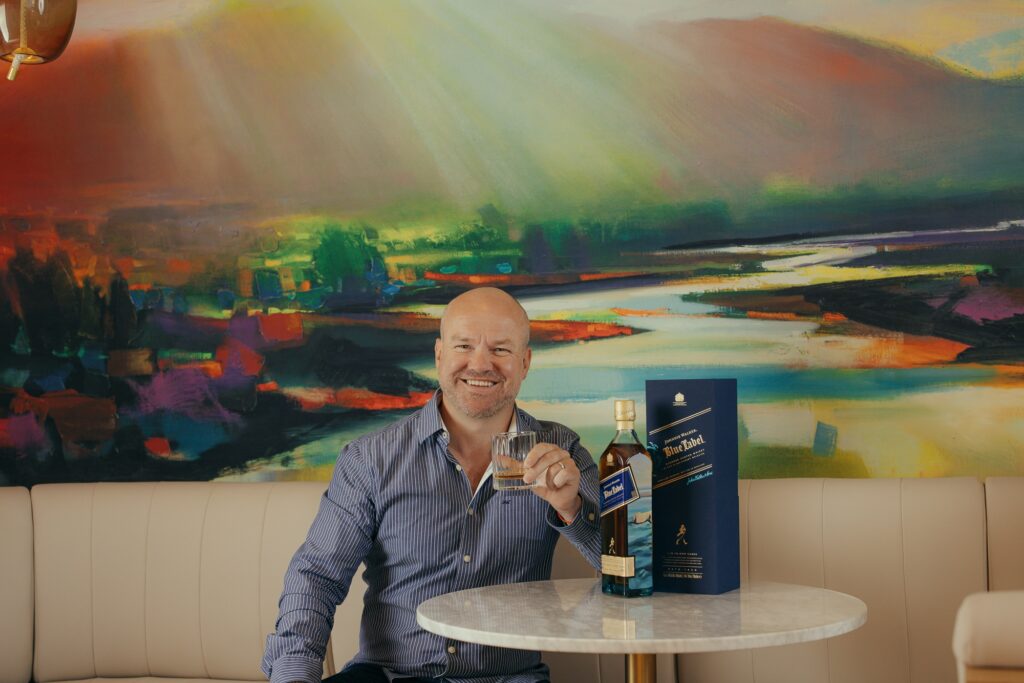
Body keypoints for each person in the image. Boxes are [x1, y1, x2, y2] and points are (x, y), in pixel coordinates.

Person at [261, 287, 601, 683]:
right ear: (439, 355)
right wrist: (293, 676)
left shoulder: (563, 451)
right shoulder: (371, 459)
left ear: (524, 363)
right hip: (388, 676)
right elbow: (317, 576)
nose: (480, 364)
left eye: (501, 350)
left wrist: (572, 508)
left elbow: (630, 574)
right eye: (464, 345)